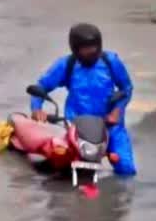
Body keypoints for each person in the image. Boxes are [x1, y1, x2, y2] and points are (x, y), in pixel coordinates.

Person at [30, 23, 137, 177]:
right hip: (77, 129)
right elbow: (40, 87)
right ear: (75, 49)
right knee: (70, 173)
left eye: (94, 48)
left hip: (111, 126)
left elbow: (126, 88)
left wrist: (117, 111)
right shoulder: (66, 65)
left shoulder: (111, 61)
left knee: (127, 170)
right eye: (86, 50)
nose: (91, 53)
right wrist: (36, 109)